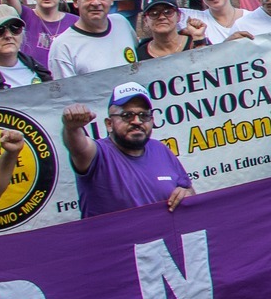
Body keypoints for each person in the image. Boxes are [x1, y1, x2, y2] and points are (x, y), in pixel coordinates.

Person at [63, 83, 197, 217]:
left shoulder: (160, 149)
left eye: (143, 115)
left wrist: (187, 195)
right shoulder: (98, 154)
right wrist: (71, 128)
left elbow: (189, 191)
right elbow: (77, 147)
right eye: (127, 115)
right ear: (109, 124)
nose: (137, 121)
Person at [48, 0, 136, 79]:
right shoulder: (63, 46)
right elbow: (65, 94)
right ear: (75, 1)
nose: (95, 3)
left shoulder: (122, 24)